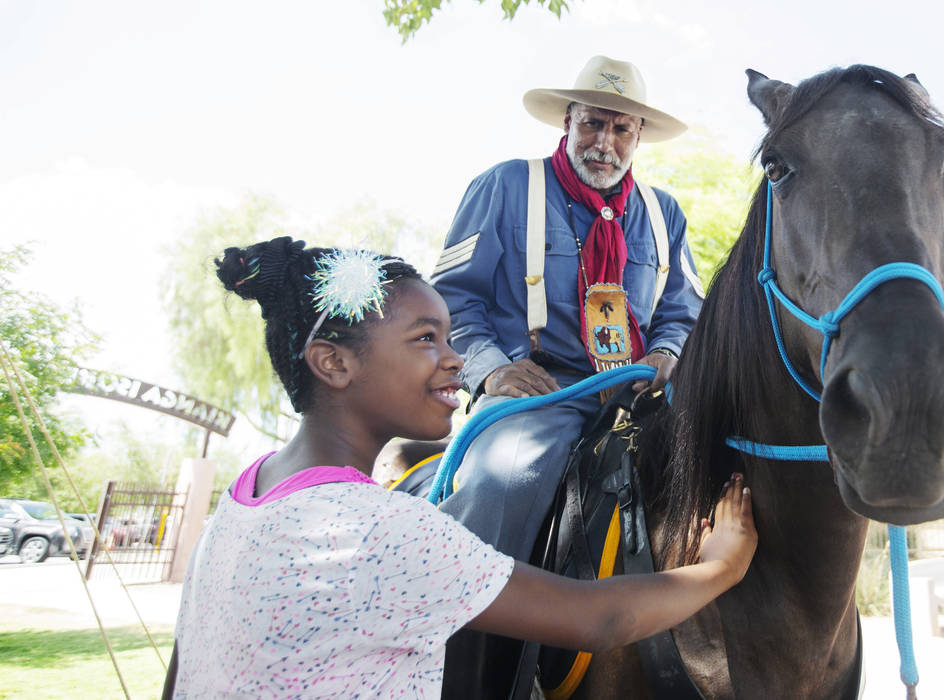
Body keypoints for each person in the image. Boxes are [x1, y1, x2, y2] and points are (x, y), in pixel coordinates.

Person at [162, 236, 755, 699]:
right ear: (333, 363)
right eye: (426, 339)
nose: (454, 360)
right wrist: (721, 568)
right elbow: (598, 620)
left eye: (448, 337)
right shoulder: (381, 533)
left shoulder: (240, 501)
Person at [427, 55, 704, 562]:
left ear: (638, 135)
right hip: (538, 395)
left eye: (621, 129)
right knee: (505, 482)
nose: (605, 143)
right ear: (567, 121)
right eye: (592, 123)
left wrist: (667, 350)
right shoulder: (506, 186)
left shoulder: (664, 213)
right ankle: (456, 632)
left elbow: (684, 311)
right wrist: (490, 372)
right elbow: (449, 298)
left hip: (641, 398)